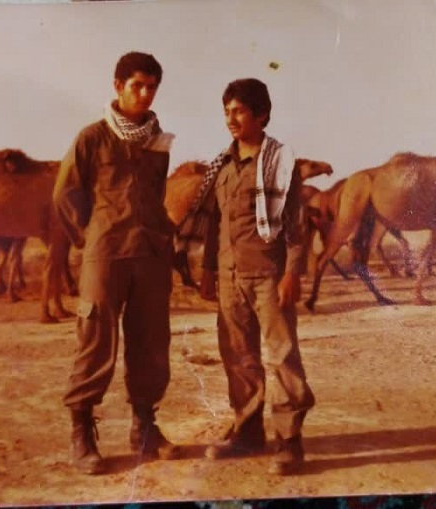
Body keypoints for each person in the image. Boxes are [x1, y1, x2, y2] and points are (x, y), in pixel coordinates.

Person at [179, 78, 316, 476]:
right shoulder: (221, 166)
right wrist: (208, 270)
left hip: (269, 276)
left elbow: (296, 225)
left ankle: (289, 440)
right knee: (238, 357)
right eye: (226, 112)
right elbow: (214, 222)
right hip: (229, 276)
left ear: (262, 115)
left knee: (282, 355)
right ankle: (248, 432)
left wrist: (292, 273)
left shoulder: (279, 164)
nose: (231, 119)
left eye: (239, 111)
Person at [53, 51, 181, 475]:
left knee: (151, 342)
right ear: (118, 86)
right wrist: (91, 237)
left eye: (151, 87)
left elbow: (157, 196)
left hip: (150, 257)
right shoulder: (92, 137)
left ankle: (144, 428)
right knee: (94, 340)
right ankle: (82, 433)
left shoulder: (158, 142)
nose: (144, 94)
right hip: (106, 256)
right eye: (136, 86)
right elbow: (65, 193)